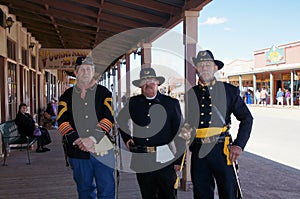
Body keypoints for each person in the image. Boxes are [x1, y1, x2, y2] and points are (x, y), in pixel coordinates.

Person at [183, 50, 253, 199]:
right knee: (201, 194)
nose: (205, 68)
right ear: (196, 69)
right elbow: (190, 122)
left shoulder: (229, 91)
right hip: (199, 150)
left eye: (208, 65)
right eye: (201, 65)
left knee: (228, 192)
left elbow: (247, 118)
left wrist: (239, 145)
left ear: (215, 68)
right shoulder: (191, 94)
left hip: (222, 150)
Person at [117, 67, 185, 199]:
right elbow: (121, 121)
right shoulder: (133, 103)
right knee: (147, 195)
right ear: (141, 85)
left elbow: (180, 132)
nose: (148, 84)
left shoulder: (171, 103)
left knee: (168, 195)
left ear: (157, 83)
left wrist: (179, 160)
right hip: (142, 157)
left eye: (151, 81)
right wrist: (127, 139)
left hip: (165, 156)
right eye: (144, 81)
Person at [57, 56, 115, 199]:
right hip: (77, 151)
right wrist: (78, 140)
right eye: (82, 69)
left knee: (107, 190)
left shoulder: (104, 93)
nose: (85, 72)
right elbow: (62, 121)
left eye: (89, 69)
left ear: (93, 71)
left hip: (102, 150)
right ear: (76, 72)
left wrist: (92, 139)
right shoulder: (66, 96)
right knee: (84, 190)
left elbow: (108, 118)